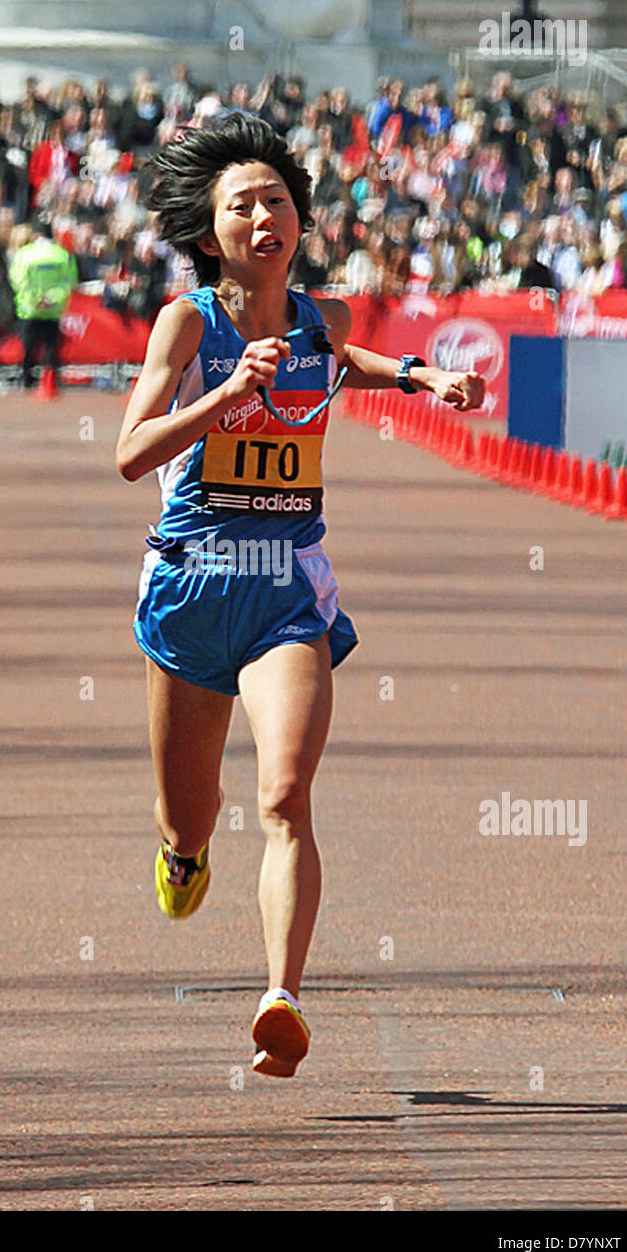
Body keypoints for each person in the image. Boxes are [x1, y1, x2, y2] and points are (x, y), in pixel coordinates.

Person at [115, 114, 483, 1078]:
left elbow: (341, 356)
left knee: (286, 794)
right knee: (189, 818)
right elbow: (127, 454)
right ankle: (185, 854)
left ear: (299, 218)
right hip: (195, 584)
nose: (263, 215)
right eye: (242, 204)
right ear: (210, 232)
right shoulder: (188, 323)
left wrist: (420, 373)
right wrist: (222, 397)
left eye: (277, 199)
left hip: (285, 587)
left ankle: (280, 995)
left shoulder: (326, 320)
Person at [8, 217, 78, 389]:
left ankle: (26, 380)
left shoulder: (24, 253)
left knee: (28, 347)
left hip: (29, 309)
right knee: (51, 348)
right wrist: (51, 299)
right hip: (53, 310)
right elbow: (69, 281)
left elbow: (18, 279)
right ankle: (49, 380)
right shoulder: (62, 254)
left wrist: (36, 299)